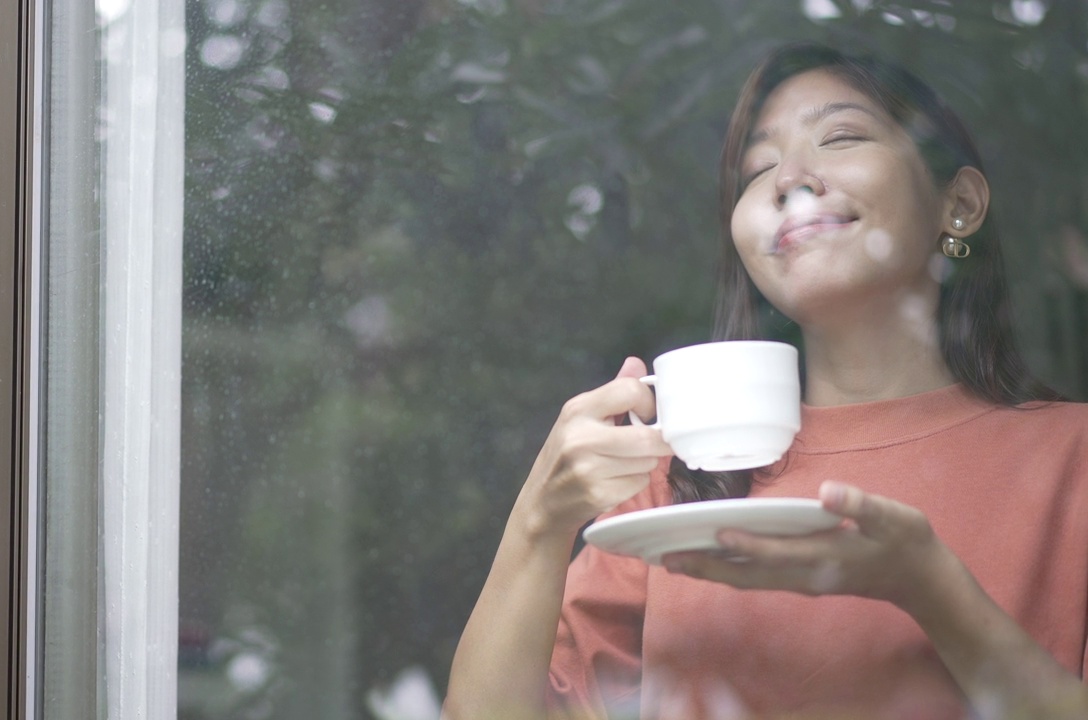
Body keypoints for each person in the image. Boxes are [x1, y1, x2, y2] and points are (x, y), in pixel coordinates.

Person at [441, 43, 1088, 720]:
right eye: (758, 168)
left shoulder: (1074, 459)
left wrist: (929, 587)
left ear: (958, 203)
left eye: (840, 137)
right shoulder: (673, 495)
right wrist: (542, 519)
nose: (790, 178)